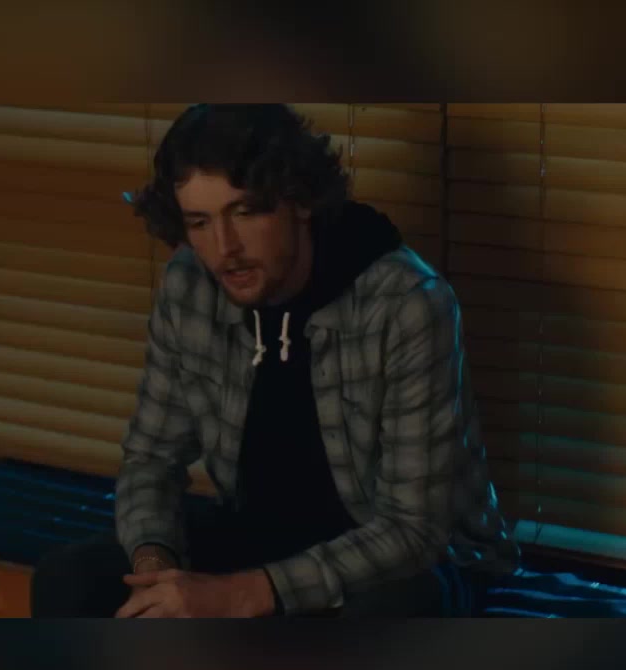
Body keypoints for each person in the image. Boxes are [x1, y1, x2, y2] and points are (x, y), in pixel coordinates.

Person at [31, 104, 519, 618]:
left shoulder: (407, 303)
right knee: (70, 579)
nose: (224, 249)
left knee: (387, 613)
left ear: (300, 200)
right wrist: (154, 570)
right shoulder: (189, 285)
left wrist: (239, 595)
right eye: (200, 222)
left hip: (402, 556)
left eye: (245, 212)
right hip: (258, 534)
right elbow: (150, 459)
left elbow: (413, 530)